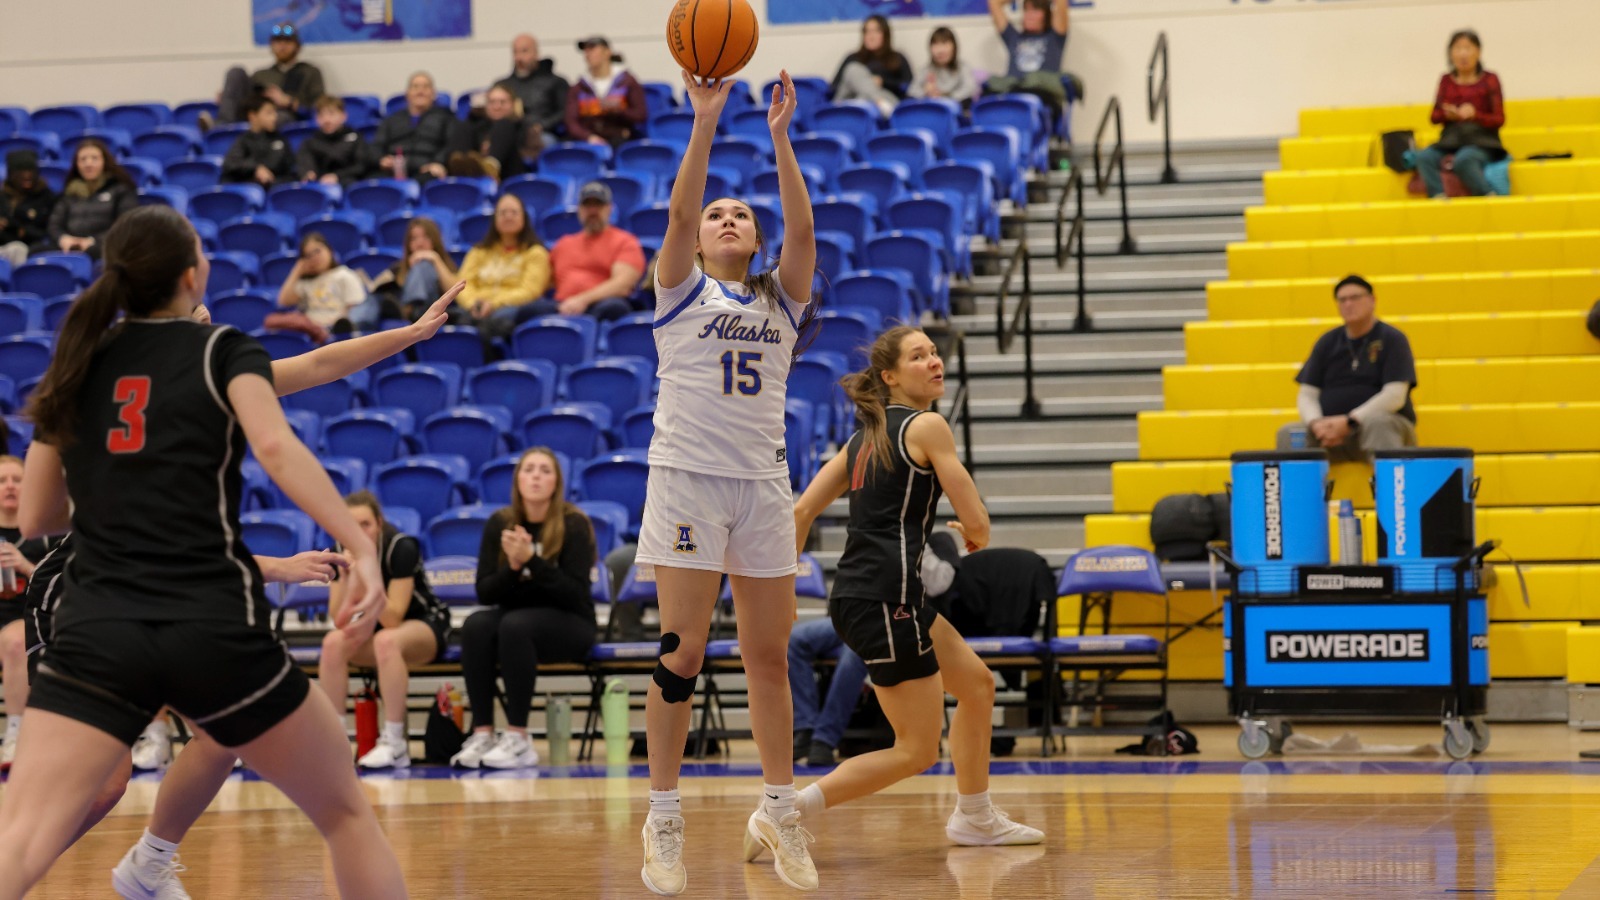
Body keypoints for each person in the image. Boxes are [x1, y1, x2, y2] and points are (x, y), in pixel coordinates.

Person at [0, 205, 410, 898]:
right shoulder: (220, 349)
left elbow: (39, 516)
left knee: (19, 844)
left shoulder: (75, 363)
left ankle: (152, 860)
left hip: (99, 624)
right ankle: (151, 860)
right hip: (210, 625)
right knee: (344, 815)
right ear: (193, 273)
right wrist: (358, 544)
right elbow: (277, 448)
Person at [637, 70, 820, 896]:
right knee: (681, 653)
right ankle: (663, 815)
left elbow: (806, 234)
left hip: (761, 487)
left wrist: (780, 137)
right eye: (720, 214)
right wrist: (706, 120)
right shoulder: (679, 290)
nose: (726, 218)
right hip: (687, 482)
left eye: (741, 213)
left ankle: (780, 810)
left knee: (769, 657)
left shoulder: (780, 302)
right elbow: (678, 213)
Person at [788, 326, 1045, 853]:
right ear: (890, 377)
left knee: (976, 685)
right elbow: (977, 521)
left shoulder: (864, 439)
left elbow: (800, 510)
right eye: (917, 356)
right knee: (916, 750)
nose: (933, 362)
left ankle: (975, 816)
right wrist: (974, 533)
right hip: (886, 598)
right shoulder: (928, 426)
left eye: (933, 353)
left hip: (876, 595)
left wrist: (783, 583)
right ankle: (787, 811)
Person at [451, 448, 596, 770]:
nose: (536, 476)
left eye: (545, 470)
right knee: (476, 625)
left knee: (515, 625)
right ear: (517, 480)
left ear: (557, 481)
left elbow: (575, 593)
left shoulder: (573, 524)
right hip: (515, 621)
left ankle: (518, 737)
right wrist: (513, 568)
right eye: (529, 469)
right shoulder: (499, 523)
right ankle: (483, 733)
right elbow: (485, 591)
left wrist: (532, 560)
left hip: (571, 622)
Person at [318, 491, 450, 770]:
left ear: (379, 523)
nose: (358, 532)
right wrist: (348, 577)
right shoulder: (339, 551)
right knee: (332, 643)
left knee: (386, 641)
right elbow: (339, 620)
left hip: (424, 624)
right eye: (350, 525)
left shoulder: (400, 548)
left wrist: (365, 578)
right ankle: (335, 741)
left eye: (365, 524)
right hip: (376, 629)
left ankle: (395, 742)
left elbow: (392, 618)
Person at [1275, 275, 1419, 463]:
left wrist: (1350, 422)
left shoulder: (1393, 338)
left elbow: (1394, 395)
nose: (1348, 304)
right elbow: (1307, 394)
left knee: (1379, 423)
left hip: (1377, 428)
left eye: (1355, 298)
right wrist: (1316, 423)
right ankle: (1296, 492)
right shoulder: (1327, 341)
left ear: (1372, 300)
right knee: (1291, 433)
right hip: (1329, 435)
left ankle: (1393, 489)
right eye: (1342, 300)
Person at [0, 456, 63, 770]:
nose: (10, 487)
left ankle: (14, 733)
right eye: (2, 481)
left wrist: (25, 565)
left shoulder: (46, 532)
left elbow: (64, 582)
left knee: (13, 641)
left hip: (27, 618)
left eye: (17, 480)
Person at [516, 181, 645, 324]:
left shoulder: (625, 241)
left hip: (600, 304)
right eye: (587, 205)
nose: (592, 211)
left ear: (609, 209)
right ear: (579, 210)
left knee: (615, 308)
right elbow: (543, 281)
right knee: (527, 312)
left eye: (598, 205)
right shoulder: (564, 243)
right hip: (562, 305)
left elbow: (622, 285)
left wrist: (582, 300)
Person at [1415, 30, 1507, 198]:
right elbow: (1434, 117)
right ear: (1450, 54)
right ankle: (1438, 198)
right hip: (1451, 140)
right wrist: (1447, 114)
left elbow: (1499, 119)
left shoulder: (1490, 79)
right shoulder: (1445, 80)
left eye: (1468, 48)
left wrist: (1475, 115)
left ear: (1478, 52)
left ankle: (1488, 195)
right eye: (1458, 48)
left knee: (1464, 160)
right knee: (1424, 157)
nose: (1463, 54)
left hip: (1482, 141)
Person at [454, 193, 550, 335]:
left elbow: (530, 291)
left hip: (512, 308)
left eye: (514, 212)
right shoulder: (478, 251)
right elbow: (463, 284)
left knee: (498, 319)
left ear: (524, 218)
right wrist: (473, 304)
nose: (508, 216)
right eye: (503, 212)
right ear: (495, 220)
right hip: (476, 307)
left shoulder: (536, 253)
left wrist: (493, 304)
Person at [211, 22, 327, 127]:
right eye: (277, 41)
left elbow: (319, 108)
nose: (282, 46)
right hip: (255, 115)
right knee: (236, 72)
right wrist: (229, 96)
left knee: (277, 118)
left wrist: (289, 102)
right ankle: (221, 126)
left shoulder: (310, 72)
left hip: (287, 117)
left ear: (297, 46)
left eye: (287, 41)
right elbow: (246, 102)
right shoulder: (261, 74)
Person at [786, 618, 867, 769]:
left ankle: (825, 739)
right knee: (792, 641)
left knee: (853, 652)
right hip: (847, 617)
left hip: (879, 620)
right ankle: (805, 728)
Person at [268, 232, 377, 342]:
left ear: (329, 250)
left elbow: (355, 310)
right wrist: (297, 270)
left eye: (317, 251)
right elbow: (283, 301)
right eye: (308, 256)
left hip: (337, 332)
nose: (315, 258)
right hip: (312, 333)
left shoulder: (345, 275)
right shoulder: (306, 282)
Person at [40, 139, 136, 260]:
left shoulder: (120, 190)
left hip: (104, 246)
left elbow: (124, 226)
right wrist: (63, 239)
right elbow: (54, 225)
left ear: (105, 162)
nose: (88, 164)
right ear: (77, 164)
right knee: (36, 252)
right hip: (69, 247)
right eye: (83, 159)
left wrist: (92, 241)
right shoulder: (69, 193)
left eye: (94, 158)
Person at [983, 0, 1070, 115]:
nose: (1029, 15)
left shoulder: (1055, 38)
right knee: (987, 95)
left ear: (1047, 15)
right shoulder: (1014, 37)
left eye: (1035, 10)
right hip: (1012, 96)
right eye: (1026, 10)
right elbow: (994, 3)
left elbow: (1061, 2)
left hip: (1042, 98)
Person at [494, 33, 568, 161]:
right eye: (515, 52)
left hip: (542, 132)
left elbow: (565, 111)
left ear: (536, 53)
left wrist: (543, 125)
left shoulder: (555, 82)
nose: (519, 57)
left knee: (546, 142)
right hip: (510, 132)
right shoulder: (503, 85)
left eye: (524, 51)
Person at [564, 36, 648, 149]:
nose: (587, 54)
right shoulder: (579, 87)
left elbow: (640, 114)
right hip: (589, 140)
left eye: (592, 49)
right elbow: (571, 121)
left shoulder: (626, 81)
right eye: (586, 50)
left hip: (619, 138)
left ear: (607, 52)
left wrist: (619, 109)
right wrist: (589, 137)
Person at [369, 217, 459, 321]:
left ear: (435, 240)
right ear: (408, 244)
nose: (419, 243)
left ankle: (412, 310)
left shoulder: (446, 266)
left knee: (424, 266)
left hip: (432, 315)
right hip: (402, 313)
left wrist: (434, 258)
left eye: (426, 237)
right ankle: (357, 328)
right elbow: (374, 288)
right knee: (373, 300)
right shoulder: (397, 269)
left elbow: (457, 294)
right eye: (414, 238)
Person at [374, 72, 458, 183]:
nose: (420, 91)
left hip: (428, 170)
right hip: (393, 171)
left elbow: (451, 144)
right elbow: (376, 146)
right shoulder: (392, 120)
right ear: (407, 93)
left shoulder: (446, 118)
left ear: (433, 93)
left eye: (425, 87)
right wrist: (382, 159)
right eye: (415, 87)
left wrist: (438, 163)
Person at [829, 15, 914, 118]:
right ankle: (876, 101)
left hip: (886, 102)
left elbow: (909, 87)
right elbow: (835, 86)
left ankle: (869, 104)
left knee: (865, 98)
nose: (871, 36)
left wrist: (883, 82)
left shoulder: (897, 58)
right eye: (867, 31)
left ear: (885, 34)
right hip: (850, 100)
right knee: (853, 69)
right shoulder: (853, 58)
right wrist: (863, 83)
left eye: (876, 31)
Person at [449, 85, 529, 180]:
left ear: (513, 104)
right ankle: (459, 166)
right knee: (463, 126)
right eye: (492, 102)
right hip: (476, 175)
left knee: (504, 123)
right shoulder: (478, 127)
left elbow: (531, 154)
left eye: (503, 102)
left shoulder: (523, 125)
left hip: (508, 175)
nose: (497, 107)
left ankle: (491, 165)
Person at [296, 96, 378, 187]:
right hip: (320, 186)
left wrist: (337, 176)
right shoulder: (309, 142)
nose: (326, 120)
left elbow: (361, 166)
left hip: (349, 183)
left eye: (331, 114)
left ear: (343, 116)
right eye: (321, 115)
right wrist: (308, 174)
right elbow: (306, 166)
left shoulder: (356, 137)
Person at [222, 96, 295, 188]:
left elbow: (290, 169)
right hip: (250, 189)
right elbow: (230, 163)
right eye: (269, 113)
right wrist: (256, 168)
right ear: (253, 116)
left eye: (275, 112)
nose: (275, 117)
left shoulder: (280, 139)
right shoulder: (243, 141)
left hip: (275, 189)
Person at [0, 151, 56, 269]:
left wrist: (20, 229)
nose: (26, 176)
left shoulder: (46, 197)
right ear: (11, 174)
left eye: (30, 171)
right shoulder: (2, 197)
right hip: (3, 248)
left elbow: (49, 231)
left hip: (32, 250)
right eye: (20, 172)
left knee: (18, 249)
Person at [909, 27, 979, 109]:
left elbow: (971, 89)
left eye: (944, 43)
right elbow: (912, 91)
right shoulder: (925, 70)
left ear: (954, 47)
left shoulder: (963, 67)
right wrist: (926, 92)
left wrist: (945, 96)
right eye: (935, 44)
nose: (940, 50)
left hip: (955, 108)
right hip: (931, 109)